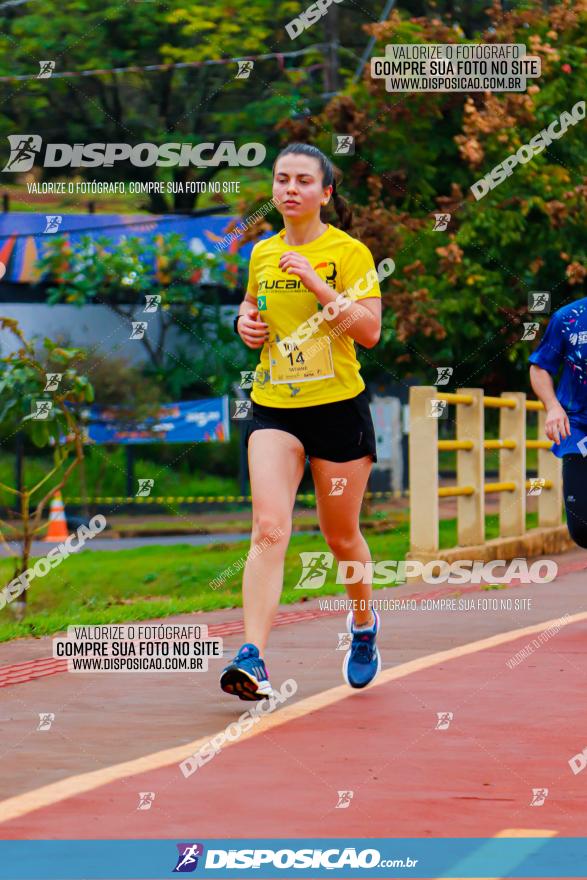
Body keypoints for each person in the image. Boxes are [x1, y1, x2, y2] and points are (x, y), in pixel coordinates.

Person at [220, 143, 384, 700]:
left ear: (325, 193)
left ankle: (363, 624)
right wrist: (244, 323)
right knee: (269, 528)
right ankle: (253, 658)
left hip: (338, 410)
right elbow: (251, 304)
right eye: (282, 179)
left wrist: (316, 282)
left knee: (341, 539)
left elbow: (369, 331)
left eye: (304, 181)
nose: (291, 188)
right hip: (274, 406)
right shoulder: (262, 252)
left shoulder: (350, 252)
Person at [529, 295, 587, 549]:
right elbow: (540, 367)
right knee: (582, 527)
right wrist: (553, 406)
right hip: (579, 427)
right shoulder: (568, 318)